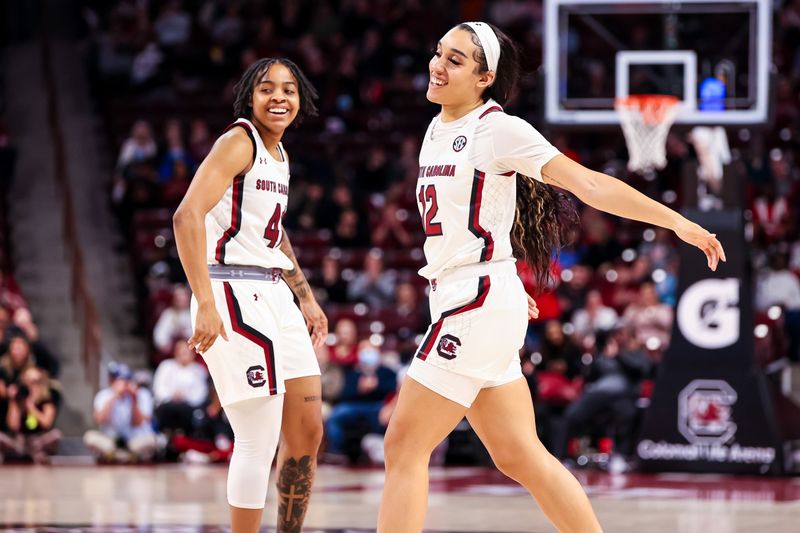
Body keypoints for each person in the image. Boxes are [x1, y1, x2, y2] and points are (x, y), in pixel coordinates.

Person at [376, 22, 726, 533]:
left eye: (455, 60)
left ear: (484, 77)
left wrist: (677, 222)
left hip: (472, 303)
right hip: (476, 296)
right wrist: (507, 290)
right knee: (521, 456)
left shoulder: (497, 129)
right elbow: (485, 221)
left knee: (403, 446)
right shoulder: (437, 128)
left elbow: (588, 185)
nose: (438, 65)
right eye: (438, 53)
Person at [172, 57, 327, 533]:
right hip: (231, 287)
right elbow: (186, 216)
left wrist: (306, 297)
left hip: (274, 290)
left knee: (306, 432)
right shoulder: (238, 141)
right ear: (249, 97)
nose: (278, 97)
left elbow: (273, 234)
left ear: (300, 101)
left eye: (288, 90)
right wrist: (205, 301)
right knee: (257, 437)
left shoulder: (280, 155)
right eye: (267, 89)